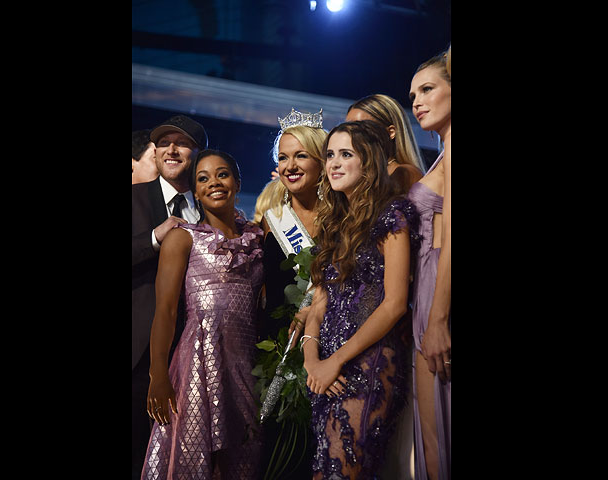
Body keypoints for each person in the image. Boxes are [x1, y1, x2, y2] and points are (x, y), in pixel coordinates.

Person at [301, 120, 420, 479]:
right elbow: (319, 302)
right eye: (331, 155)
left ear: (368, 162)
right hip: (325, 370)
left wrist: (335, 361)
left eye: (346, 154)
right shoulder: (333, 223)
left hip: (369, 364)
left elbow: (395, 303)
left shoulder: (391, 217)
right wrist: (312, 361)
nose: (334, 163)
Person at [141, 149, 264, 479]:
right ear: (194, 191)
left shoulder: (258, 240)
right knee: (194, 459)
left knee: (242, 460)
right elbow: (165, 311)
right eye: (203, 178)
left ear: (237, 183)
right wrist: (158, 375)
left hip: (246, 365)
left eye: (222, 175)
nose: (214, 183)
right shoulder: (183, 239)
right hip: (197, 362)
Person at [132, 114, 207, 479]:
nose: (171, 150)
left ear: (197, 154)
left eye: (181, 143)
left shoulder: (208, 207)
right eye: (164, 143)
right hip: (137, 353)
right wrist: (153, 238)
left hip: (190, 358)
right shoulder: (133, 198)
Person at [255, 108, 327, 479]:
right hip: (275, 347)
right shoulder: (270, 216)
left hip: (328, 345)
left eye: (301, 155)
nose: (290, 165)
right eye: (283, 157)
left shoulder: (343, 216)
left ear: (321, 160)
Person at [407, 50, 451, 480]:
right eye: (413, 94)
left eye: (428, 89)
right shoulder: (443, 152)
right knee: (431, 437)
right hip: (426, 284)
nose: (417, 101)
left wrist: (438, 318)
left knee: (439, 434)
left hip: (440, 286)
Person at [346, 93, 425, 192]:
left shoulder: (403, 173)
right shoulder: (359, 174)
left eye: (362, 128)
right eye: (348, 129)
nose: (352, 136)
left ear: (391, 132)